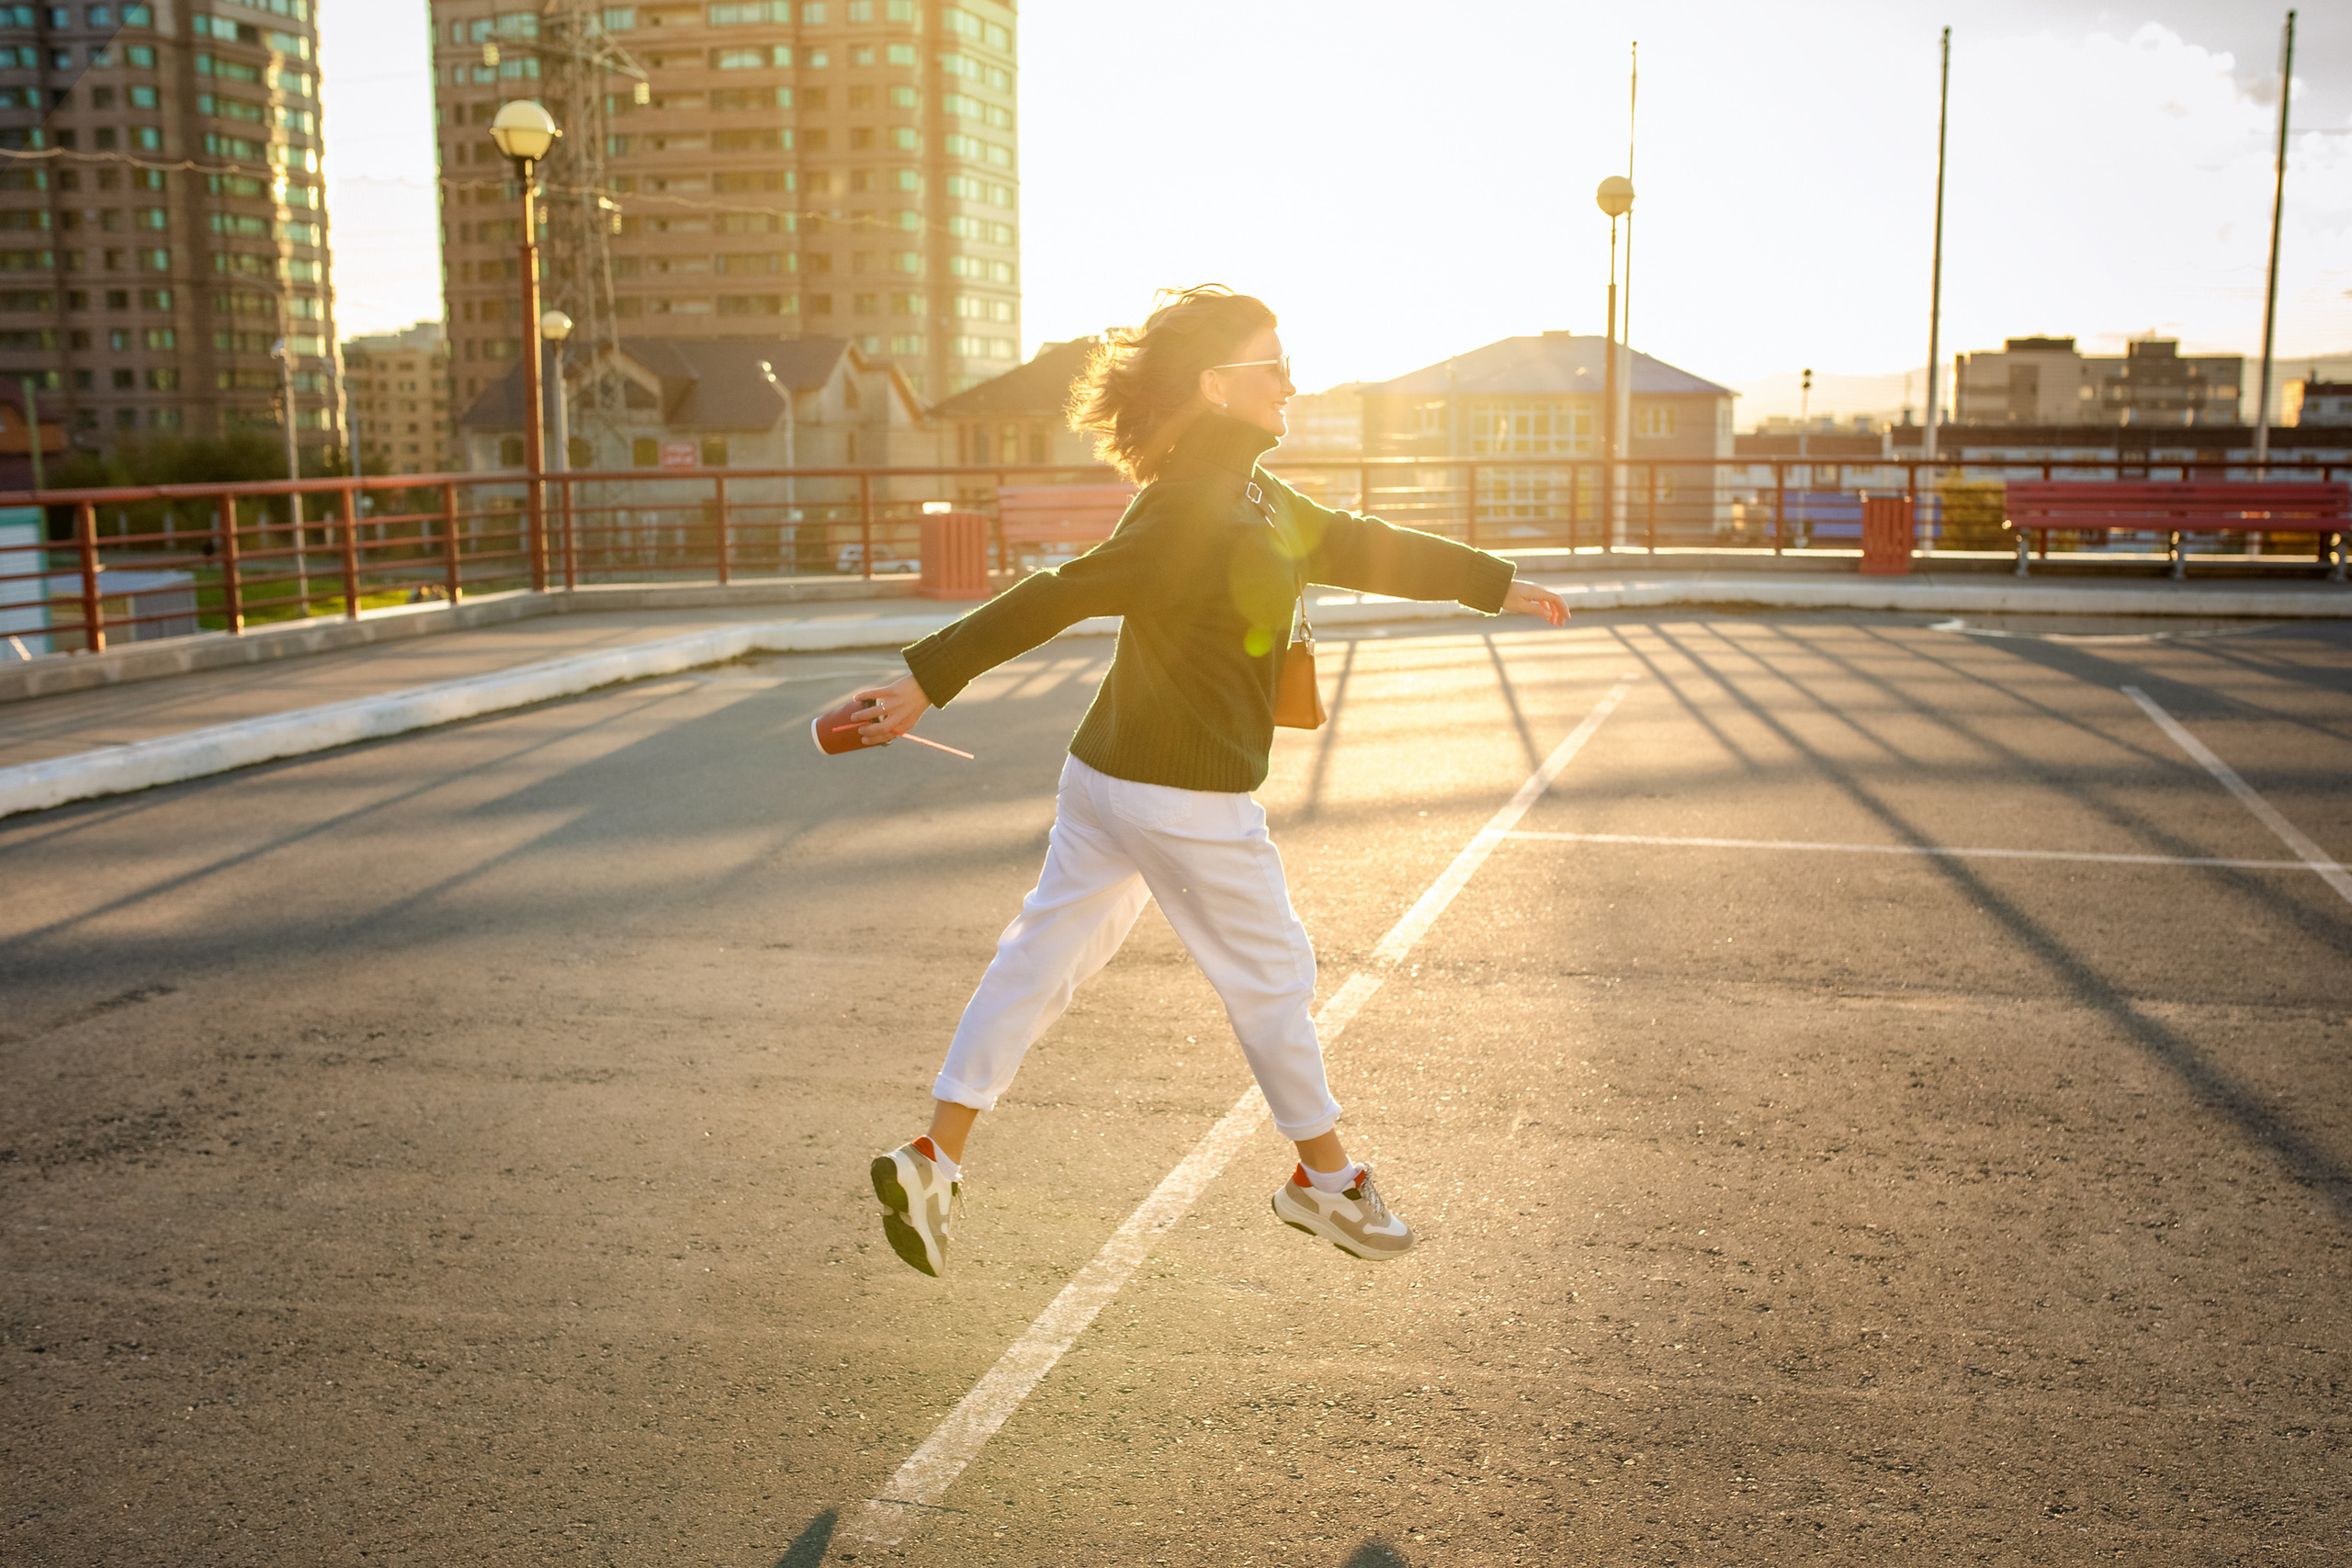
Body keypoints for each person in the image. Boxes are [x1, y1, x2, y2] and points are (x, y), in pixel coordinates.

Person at [859, 286, 1569, 1277]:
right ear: (1217, 386)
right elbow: (1062, 594)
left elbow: (1360, 543)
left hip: (1106, 778)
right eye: (1273, 366)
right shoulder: (1194, 506)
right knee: (1271, 976)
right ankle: (1325, 1182)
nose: (1292, 382)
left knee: (1042, 956)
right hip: (1180, 794)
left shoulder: (1254, 494)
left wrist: (1490, 582)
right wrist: (926, 678)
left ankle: (936, 1155)